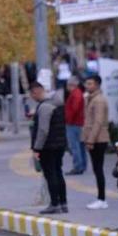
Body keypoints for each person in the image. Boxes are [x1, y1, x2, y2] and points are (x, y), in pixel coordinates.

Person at [29, 82, 68, 214]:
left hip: (48, 146)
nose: (31, 97)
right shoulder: (57, 103)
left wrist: (37, 148)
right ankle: (63, 203)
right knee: (58, 172)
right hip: (59, 144)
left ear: (36, 92)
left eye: (32, 94)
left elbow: (43, 130)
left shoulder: (45, 107)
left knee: (50, 174)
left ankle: (55, 204)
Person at [82, 74, 110, 210]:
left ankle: (102, 198)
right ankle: (100, 197)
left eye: (90, 83)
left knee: (98, 169)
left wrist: (90, 140)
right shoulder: (91, 99)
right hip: (95, 138)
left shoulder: (98, 100)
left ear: (97, 85)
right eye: (87, 83)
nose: (87, 86)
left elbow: (98, 122)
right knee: (96, 168)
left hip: (98, 139)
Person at [64, 76, 86, 175]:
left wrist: (68, 120)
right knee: (80, 145)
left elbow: (74, 109)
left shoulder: (75, 94)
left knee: (75, 146)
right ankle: (82, 165)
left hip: (73, 123)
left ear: (71, 85)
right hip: (78, 122)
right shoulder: (78, 93)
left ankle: (77, 166)